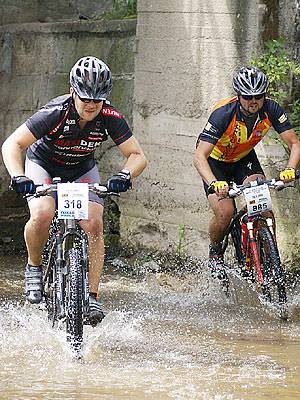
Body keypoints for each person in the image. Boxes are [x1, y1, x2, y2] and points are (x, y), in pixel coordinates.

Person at [1, 56, 147, 324]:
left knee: (93, 224)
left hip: (80, 169)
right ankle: (34, 267)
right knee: (43, 214)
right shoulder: (54, 112)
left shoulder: (110, 116)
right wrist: (18, 175)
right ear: (73, 92)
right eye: (85, 98)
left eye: (97, 99)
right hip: (43, 164)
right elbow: (12, 144)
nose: (91, 105)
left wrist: (124, 174)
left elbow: (137, 155)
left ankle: (92, 295)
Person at [193, 66, 300, 282]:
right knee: (224, 212)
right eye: (248, 97)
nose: (254, 101)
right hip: (215, 162)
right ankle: (215, 251)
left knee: (264, 204)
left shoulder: (271, 109)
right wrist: (214, 183)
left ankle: (270, 255)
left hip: (243, 159)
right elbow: (199, 157)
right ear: (239, 95)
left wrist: (290, 169)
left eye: (259, 96)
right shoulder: (224, 114)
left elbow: (294, 144)